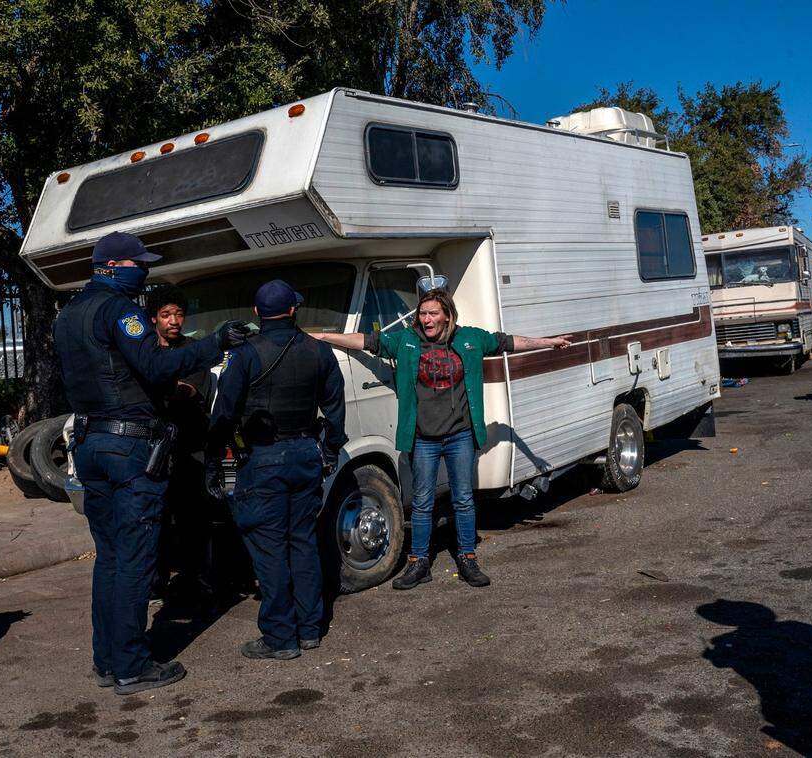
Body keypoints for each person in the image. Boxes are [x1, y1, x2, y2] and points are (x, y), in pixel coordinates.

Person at [53, 232, 250, 695]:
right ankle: (131, 665)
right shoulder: (119, 310)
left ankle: (107, 661)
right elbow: (157, 368)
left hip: (90, 440)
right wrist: (213, 344)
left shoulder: (68, 316)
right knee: (136, 559)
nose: (143, 270)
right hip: (129, 450)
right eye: (137, 263)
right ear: (112, 265)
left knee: (110, 559)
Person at [313, 287, 571, 590]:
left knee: (463, 499)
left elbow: (508, 342)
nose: (426, 319)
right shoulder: (406, 341)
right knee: (422, 503)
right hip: (423, 437)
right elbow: (365, 341)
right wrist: (324, 338)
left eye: (433, 313)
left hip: (460, 435)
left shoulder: (470, 338)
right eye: (422, 313)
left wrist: (548, 343)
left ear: (447, 315)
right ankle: (419, 563)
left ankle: (467, 558)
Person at [204, 279, 347, 660]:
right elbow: (335, 408)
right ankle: (310, 628)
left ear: (256, 314)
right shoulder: (320, 351)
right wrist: (329, 449)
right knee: (302, 541)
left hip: (263, 456)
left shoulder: (244, 355)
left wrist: (214, 459)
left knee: (268, 548)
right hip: (304, 452)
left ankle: (281, 638)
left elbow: (225, 411)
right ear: (293, 311)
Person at [144, 285, 219, 611]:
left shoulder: (194, 351)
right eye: (165, 315)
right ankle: (156, 583)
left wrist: (153, 389)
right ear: (153, 319)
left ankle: (200, 581)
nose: (173, 320)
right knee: (155, 520)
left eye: (178, 314)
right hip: (153, 452)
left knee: (194, 522)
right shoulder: (144, 352)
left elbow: (190, 390)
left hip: (190, 449)